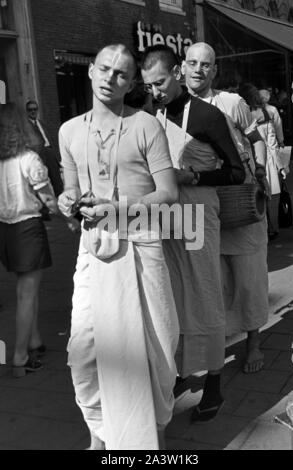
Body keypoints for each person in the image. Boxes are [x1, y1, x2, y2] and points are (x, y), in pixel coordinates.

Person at [58, 44, 179, 450]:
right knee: (86, 350)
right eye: (105, 69)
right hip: (94, 249)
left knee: (157, 348)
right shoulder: (69, 130)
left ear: (131, 83)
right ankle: (102, 433)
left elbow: (168, 194)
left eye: (122, 74)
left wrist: (118, 208)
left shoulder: (146, 125)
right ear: (91, 71)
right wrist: (67, 200)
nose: (111, 78)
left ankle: (153, 432)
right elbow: (72, 187)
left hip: (142, 245)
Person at [141, 45, 245, 423]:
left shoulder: (207, 115)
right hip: (167, 217)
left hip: (199, 215)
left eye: (161, 82)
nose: (156, 91)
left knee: (204, 294)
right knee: (172, 295)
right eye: (149, 85)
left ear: (178, 73)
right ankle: (183, 370)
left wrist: (194, 176)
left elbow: (237, 172)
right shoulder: (154, 113)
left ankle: (214, 383)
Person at [182, 42, 269, 374]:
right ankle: (208, 347)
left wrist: (260, 173)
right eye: (193, 63)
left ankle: (254, 341)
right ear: (183, 67)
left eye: (206, 64)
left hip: (238, 201)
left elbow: (256, 139)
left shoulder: (232, 103)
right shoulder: (172, 109)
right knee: (208, 284)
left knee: (248, 280)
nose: (199, 69)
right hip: (198, 209)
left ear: (214, 70)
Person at [0, 103, 58, 377]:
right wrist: (70, 219)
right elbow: (49, 199)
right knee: (27, 293)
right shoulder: (29, 159)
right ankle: (20, 357)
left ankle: (34, 340)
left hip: (5, 230)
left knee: (25, 290)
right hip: (27, 228)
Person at [238, 83, 285, 240]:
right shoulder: (269, 112)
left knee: (255, 196)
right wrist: (282, 165)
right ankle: (271, 226)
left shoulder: (242, 116)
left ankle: (263, 227)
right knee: (268, 195)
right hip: (268, 161)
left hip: (249, 161)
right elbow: (275, 141)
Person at [26, 100, 63, 198]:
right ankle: (44, 208)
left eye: (35, 109)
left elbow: (50, 140)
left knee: (57, 180)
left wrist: (56, 155)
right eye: (30, 110)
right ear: (27, 111)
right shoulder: (26, 127)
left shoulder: (42, 123)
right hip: (38, 155)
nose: (33, 111)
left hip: (49, 152)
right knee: (39, 183)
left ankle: (62, 202)